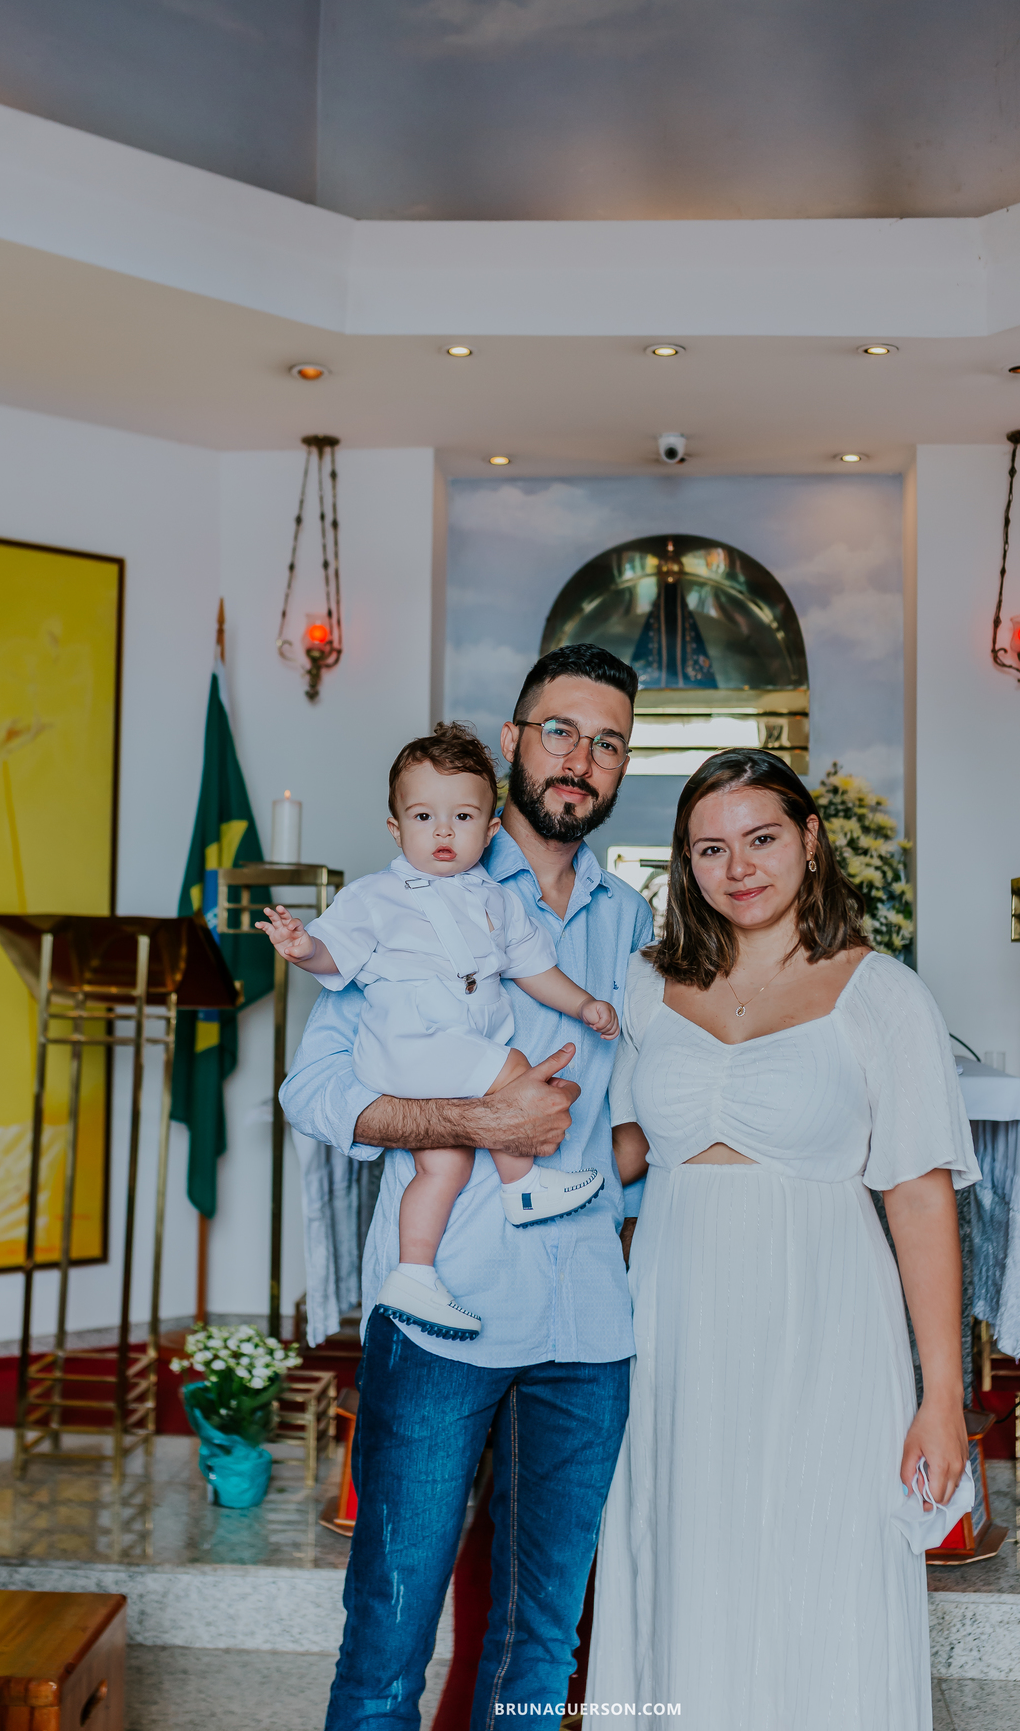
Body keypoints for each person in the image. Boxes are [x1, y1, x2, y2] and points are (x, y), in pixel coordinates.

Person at [279, 644, 653, 1731]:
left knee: (542, 1640)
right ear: (513, 742)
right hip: (447, 1314)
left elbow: (637, 1100)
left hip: (587, 1322)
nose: (582, 757)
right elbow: (316, 1091)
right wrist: (474, 1121)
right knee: (391, 1630)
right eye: (561, 731)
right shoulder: (410, 895)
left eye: (609, 740)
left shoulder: (629, 922)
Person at [588, 748, 979, 1731]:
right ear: (687, 863)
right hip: (674, 1320)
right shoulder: (645, 986)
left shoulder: (882, 993)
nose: (739, 867)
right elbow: (617, 1154)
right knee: (681, 1549)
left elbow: (923, 1200)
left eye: (761, 838)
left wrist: (942, 1397)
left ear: (809, 838)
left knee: (823, 1558)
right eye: (711, 848)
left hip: (828, 1321)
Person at [259, 722, 620, 1341]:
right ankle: (524, 1186)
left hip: (439, 1062)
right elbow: (336, 955)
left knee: (444, 1165)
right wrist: (304, 947)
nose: (444, 832)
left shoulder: (496, 900)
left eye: (462, 816)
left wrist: (585, 1002)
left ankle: (414, 1275)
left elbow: (536, 969)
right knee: (510, 1067)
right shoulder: (375, 896)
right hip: (408, 1049)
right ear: (397, 829)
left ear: (490, 827)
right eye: (424, 817)